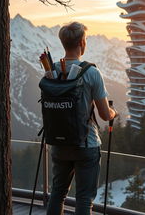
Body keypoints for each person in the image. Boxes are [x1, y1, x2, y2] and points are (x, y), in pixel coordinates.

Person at [46, 22, 117, 215]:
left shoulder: (51, 71)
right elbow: (104, 114)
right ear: (81, 43)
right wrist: (113, 113)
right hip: (86, 144)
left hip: (59, 143)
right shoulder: (91, 73)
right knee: (84, 199)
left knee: (57, 194)